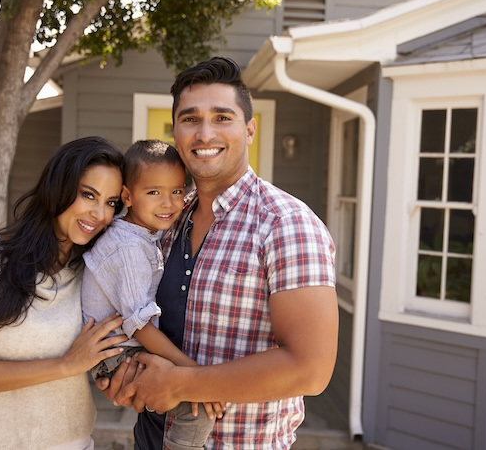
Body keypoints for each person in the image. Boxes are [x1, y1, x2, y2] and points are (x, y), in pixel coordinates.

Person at [98, 57, 339, 449]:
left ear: (249, 130)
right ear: (175, 131)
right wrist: (123, 378)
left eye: (222, 117)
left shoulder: (285, 224)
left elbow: (310, 369)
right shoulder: (167, 216)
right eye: (190, 119)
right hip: (150, 437)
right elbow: (123, 303)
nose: (204, 133)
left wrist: (181, 384)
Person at [0, 136, 129, 449]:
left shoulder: (96, 274)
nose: (99, 214)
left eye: (111, 202)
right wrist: (65, 365)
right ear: (58, 187)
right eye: (89, 195)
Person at [81, 139, 221, 450]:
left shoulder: (143, 233)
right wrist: (192, 373)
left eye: (176, 191)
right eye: (154, 192)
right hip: (115, 355)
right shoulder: (128, 248)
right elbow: (140, 324)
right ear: (128, 196)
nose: (169, 203)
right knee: (194, 404)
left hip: (124, 346)